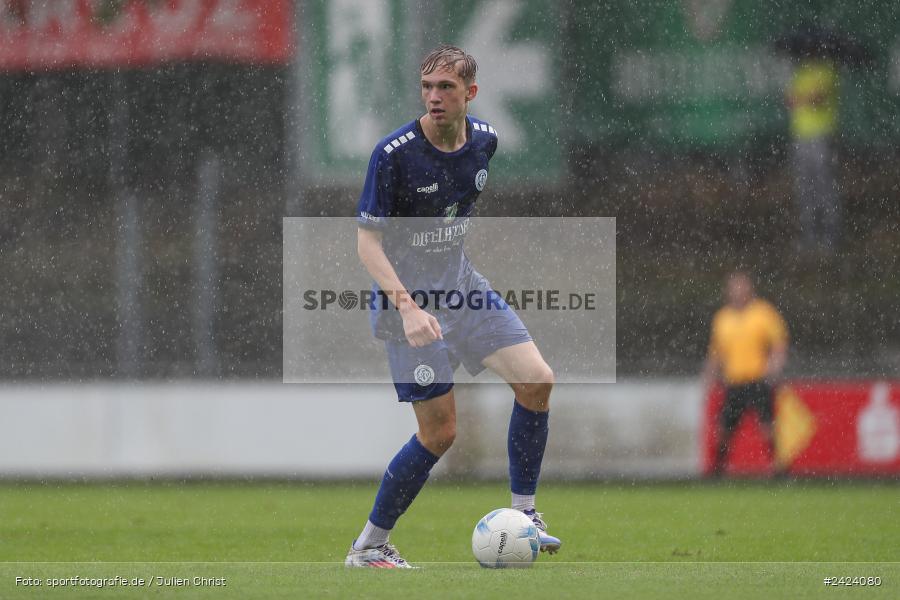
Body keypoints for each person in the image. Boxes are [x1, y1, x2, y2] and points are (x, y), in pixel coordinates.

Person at [344, 45, 560, 568]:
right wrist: (409, 309)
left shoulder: (485, 141)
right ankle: (368, 547)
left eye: (445, 87)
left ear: (471, 92)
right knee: (440, 434)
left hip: (463, 292)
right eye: (427, 87)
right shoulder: (393, 154)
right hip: (408, 310)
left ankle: (525, 515)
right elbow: (367, 244)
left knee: (537, 381)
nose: (434, 97)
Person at [702, 271, 789, 478]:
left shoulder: (763, 313)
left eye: (741, 287)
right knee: (723, 429)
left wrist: (774, 366)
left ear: (750, 288)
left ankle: (779, 470)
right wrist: (709, 376)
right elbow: (716, 353)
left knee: (768, 427)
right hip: (734, 383)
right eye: (734, 287)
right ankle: (718, 470)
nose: (738, 291)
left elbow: (779, 343)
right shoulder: (722, 318)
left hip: (758, 380)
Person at [785, 53, 840, 253]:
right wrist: (803, 98)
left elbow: (817, 98)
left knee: (824, 186)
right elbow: (790, 100)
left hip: (821, 137)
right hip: (801, 137)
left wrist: (802, 98)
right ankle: (810, 235)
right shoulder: (801, 73)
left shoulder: (827, 71)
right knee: (805, 187)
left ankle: (830, 236)